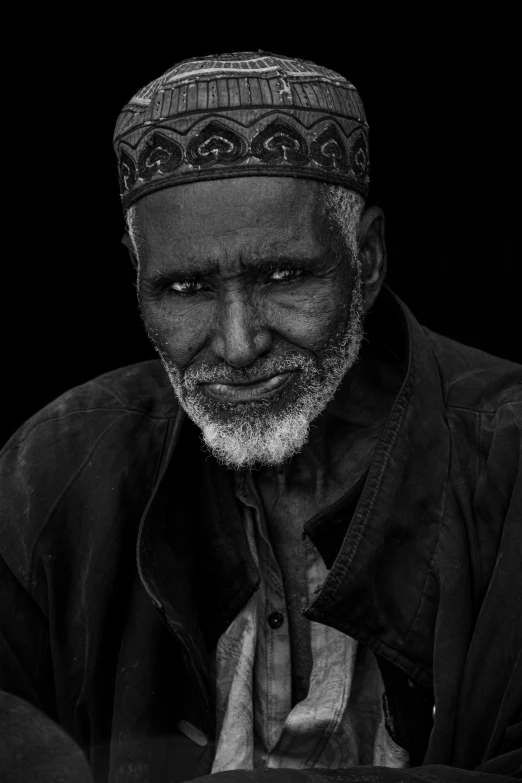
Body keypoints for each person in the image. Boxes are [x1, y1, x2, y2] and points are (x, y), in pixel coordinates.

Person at [0, 51, 520, 783]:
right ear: (137, 278)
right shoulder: (58, 466)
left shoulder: (508, 455)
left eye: (283, 276)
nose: (238, 343)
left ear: (365, 260)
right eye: (185, 287)